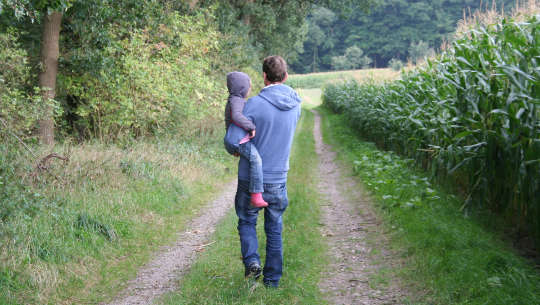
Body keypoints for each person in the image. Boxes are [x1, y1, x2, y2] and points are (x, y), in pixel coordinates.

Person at [233, 55, 301, 288]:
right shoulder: (296, 104)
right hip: (279, 178)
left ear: (263, 76)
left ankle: (252, 263)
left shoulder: (252, 105)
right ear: (286, 76)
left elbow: (233, 140)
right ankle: (272, 282)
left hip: (250, 179)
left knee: (247, 221)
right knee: (274, 229)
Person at [224, 71, 268, 208]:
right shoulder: (237, 100)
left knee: (252, 160)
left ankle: (255, 193)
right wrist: (251, 127)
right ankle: (256, 195)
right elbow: (236, 116)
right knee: (256, 160)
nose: (250, 89)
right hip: (237, 140)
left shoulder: (232, 100)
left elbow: (228, 121)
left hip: (233, 140)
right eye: (249, 86)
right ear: (241, 87)